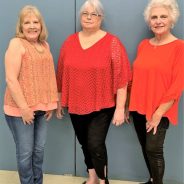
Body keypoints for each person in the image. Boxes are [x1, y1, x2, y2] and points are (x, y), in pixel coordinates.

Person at [56, 0, 131, 183]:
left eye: (94, 14)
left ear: (101, 18)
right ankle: (92, 178)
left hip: (102, 105)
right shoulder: (70, 41)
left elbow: (122, 77)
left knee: (95, 144)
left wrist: (121, 108)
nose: (89, 17)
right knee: (84, 143)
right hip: (75, 103)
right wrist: (59, 102)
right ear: (80, 16)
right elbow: (61, 75)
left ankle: (103, 180)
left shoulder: (112, 42)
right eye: (85, 14)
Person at [128, 0, 184, 184]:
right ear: (149, 21)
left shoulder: (179, 47)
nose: (158, 21)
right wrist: (129, 104)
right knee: (146, 147)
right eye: (154, 17)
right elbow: (136, 77)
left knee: (154, 149)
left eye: (163, 16)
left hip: (160, 109)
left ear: (172, 20)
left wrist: (159, 113)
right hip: (138, 107)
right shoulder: (144, 45)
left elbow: (177, 85)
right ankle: (152, 180)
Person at [4, 5, 58, 184]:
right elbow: (11, 79)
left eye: (36, 22)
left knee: (38, 151)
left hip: (42, 108)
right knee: (26, 154)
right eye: (27, 22)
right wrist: (24, 108)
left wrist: (50, 103)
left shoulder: (45, 44)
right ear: (21, 27)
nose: (32, 26)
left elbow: (48, 75)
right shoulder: (16, 44)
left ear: (41, 26)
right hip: (20, 110)